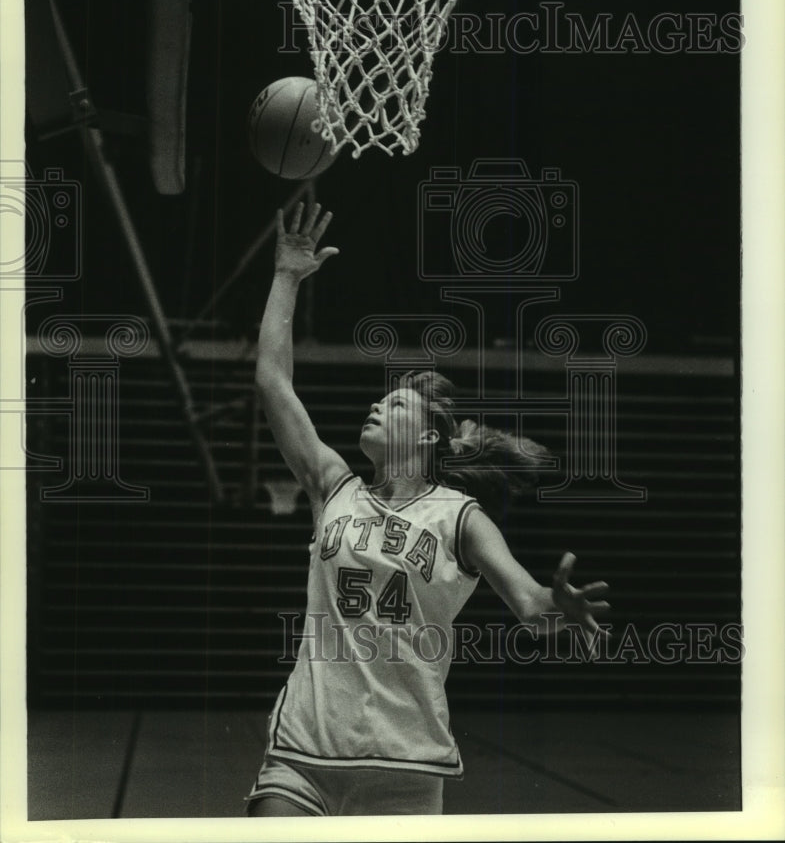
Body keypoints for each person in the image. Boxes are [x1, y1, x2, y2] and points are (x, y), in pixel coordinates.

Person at [247, 200, 610, 818]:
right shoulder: (333, 486)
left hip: (406, 766)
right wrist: (285, 277)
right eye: (378, 400)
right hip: (304, 751)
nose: (376, 407)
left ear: (426, 440)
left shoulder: (459, 517)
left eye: (395, 406)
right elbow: (273, 382)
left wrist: (563, 611)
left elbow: (530, 606)